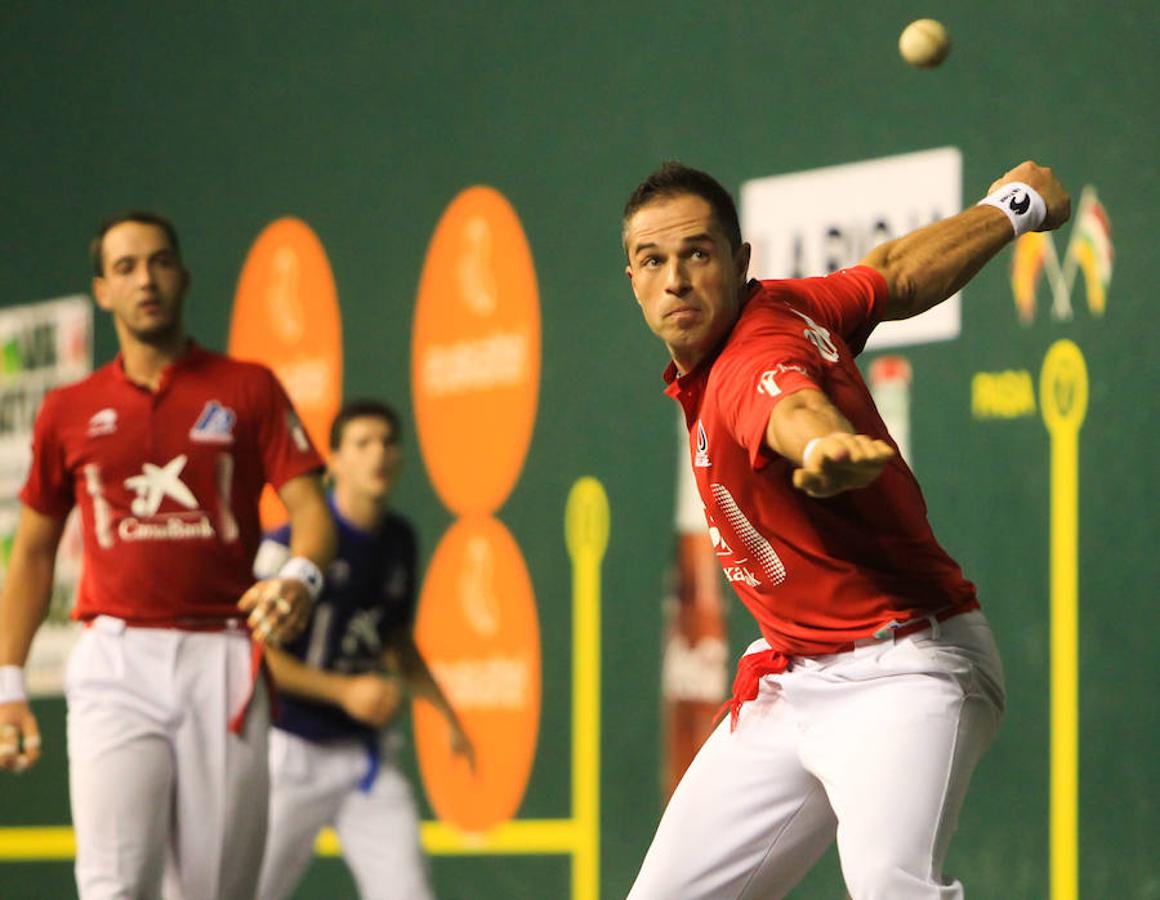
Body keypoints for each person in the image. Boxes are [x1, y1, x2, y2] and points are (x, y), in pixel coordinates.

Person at [622, 161, 1069, 898]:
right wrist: (1011, 208)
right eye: (653, 260)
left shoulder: (751, 360)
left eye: (697, 254)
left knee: (894, 884)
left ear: (739, 263)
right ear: (633, 279)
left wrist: (823, 444)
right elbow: (892, 273)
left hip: (909, 667)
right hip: (795, 673)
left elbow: (789, 406)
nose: (675, 279)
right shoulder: (792, 305)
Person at [0, 211, 335, 900]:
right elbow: (32, 555)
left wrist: (300, 578)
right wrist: (7, 685)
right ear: (102, 290)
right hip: (116, 661)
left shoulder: (249, 387)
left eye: (158, 262)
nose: (145, 280)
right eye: (125, 267)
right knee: (114, 887)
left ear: (182, 275)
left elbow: (310, 514)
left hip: (223, 658)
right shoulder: (67, 409)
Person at [253, 399, 475, 900]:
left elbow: (394, 639)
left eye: (388, 442)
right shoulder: (288, 546)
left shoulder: (399, 541)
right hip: (288, 752)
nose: (378, 453)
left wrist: (446, 714)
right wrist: (345, 690)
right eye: (362, 443)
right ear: (333, 461)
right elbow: (257, 654)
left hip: (363, 759)